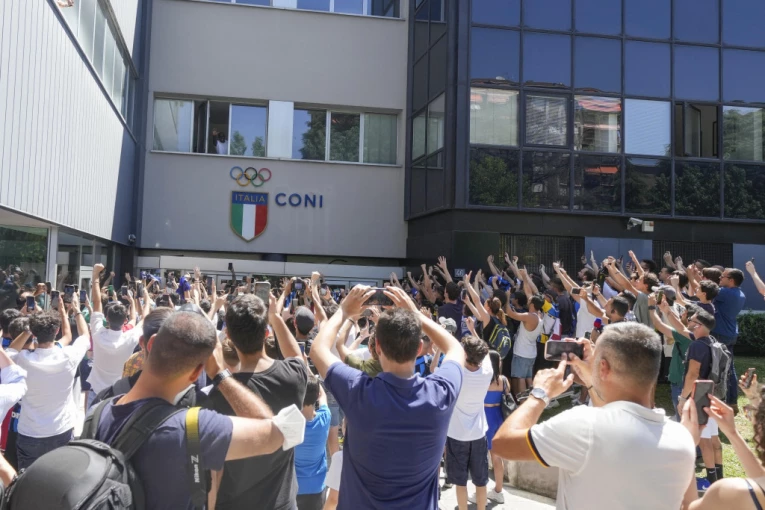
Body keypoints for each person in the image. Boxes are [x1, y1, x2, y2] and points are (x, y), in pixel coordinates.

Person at [89, 311, 305, 509]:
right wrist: (219, 374)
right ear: (196, 373)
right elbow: (279, 431)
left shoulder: (97, 412)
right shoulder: (195, 427)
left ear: (150, 344)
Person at [491, 322, 696, 510]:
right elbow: (615, 417)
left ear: (604, 367)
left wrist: (540, 394)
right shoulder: (682, 438)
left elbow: (502, 444)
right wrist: (592, 378)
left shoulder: (582, 425)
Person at [309, 286, 465, 510]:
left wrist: (344, 311)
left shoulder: (357, 391)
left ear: (377, 347)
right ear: (419, 348)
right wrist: (417, 315)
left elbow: (318, 349)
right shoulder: (439, 394)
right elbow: (455, 348)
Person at [203, 293, 308, 510]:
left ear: (228, 336)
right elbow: (297, 356)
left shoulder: (214, 397)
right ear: (266, 332)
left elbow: (214, 472)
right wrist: (275, 317)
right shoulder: (294, 376)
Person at [7, 298, 89, 469]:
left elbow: (11, 351)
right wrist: (76, 310)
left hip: (29, 432)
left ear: (34, 333)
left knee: (27, 480)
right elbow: (85, 336)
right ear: (57, 331)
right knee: (59, 478)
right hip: (61, 430)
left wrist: (29, 328)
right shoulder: (69, 355)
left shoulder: (22, 359)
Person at [681, 375, 765, 508]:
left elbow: (688, 506)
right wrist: (732, 433)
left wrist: (688, 447)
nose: (752, 418)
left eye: (751, 412)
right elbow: (761, 478)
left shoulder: (734, 492)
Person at [445, 331, 492, 510]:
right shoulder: (487, 371)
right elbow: (485, 353)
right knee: (481, 481)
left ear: (464, 354)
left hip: (456, 434)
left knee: (460, 482)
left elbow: (448, 356)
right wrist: (474, 331)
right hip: (478, 434)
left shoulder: (455, 374)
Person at [676, 310, 723, 484]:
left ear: (699, 325)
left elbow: (692, 374)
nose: (688, 321)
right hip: (713, 394)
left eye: (691, 319)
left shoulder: (697, 346)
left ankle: (711, 482)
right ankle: (718, 478)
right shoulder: (713, 342)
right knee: (714, 439)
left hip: (699, 396)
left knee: (704, 441)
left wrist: (683, 399)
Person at [87, 264, 143, 408]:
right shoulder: (130, 337)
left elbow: (97, 302)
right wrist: (136, 299)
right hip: (119, 394)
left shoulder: (98, 334)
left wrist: (95, 275)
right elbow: (142, 318)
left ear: (106, 318)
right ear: (125, 321)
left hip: (96, 393)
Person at [295, 376, 331, 510]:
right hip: (317, 486)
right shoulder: (325, 417)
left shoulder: (290, 424)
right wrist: (309, 372)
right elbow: (323, 396)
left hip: (295, 487)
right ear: (316, 395)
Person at [712, 268, 746, 407]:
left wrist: (691, 275)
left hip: (720, 334)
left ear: (731, 280)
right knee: (729, 368)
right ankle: (732, 402)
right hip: (730, 334)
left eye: (722, 277)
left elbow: (703, 289)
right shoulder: (740, 293)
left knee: (719, 369)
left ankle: (722, 400)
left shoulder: (725, 292)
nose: (719, 278)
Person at [503, 294, 544, 397]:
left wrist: (507, 297)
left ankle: (523, 401)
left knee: (520, 378)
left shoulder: (529, 316)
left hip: (522, 353)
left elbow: (510, 313)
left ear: (532, 304)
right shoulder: (539, 316)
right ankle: (533, 399)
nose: (528, 300)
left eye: (530, 300)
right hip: (530, 353)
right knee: (528, 378)